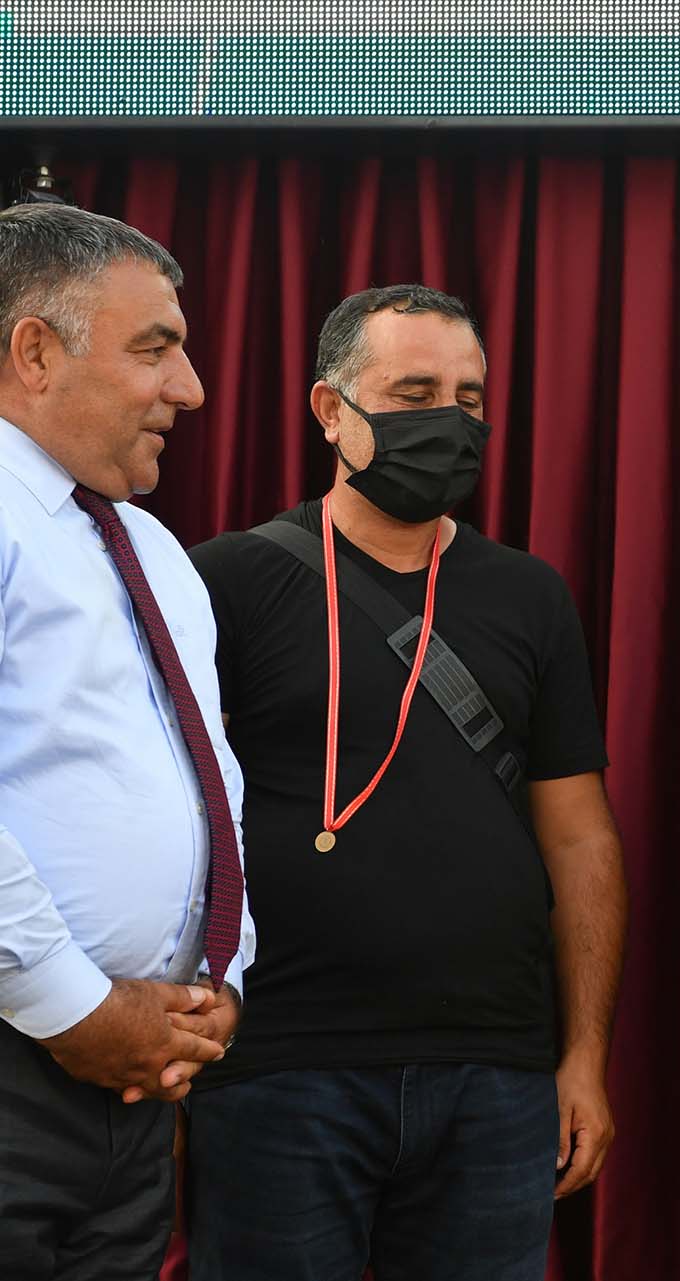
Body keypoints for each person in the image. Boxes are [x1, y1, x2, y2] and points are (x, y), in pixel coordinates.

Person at [184, 285, 625, 1281]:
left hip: (497, 1077)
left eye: (469, 399)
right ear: (330, 410)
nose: (449, 422)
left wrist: (583, 1056)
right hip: (280, 1070)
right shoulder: (225, 583)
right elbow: (176, 824)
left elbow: (580, 836)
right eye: (415, 393)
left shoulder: (531, 595)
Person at [0, 202, 254, 1278]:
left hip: (138, 1086)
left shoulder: (152, 548)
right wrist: (73, 1008)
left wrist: (217, 981)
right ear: (35, 352)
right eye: (155, 349)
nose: (189, 388)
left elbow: (206, 782)